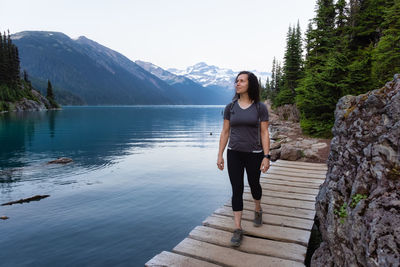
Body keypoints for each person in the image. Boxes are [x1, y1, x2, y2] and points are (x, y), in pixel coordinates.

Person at [217, 71, 270, 247]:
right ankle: (238, 228)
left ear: (250, 84)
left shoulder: (259, 108)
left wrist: (266, 156)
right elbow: (225, 132)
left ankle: (258, 208)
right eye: (236, 81)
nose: (237, 84)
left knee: (254, 185)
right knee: (237, 189)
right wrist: (220, 155)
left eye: (241, 81)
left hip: (254, 154)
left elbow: (264, 132)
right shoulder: (230, 107)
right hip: (234, 154)